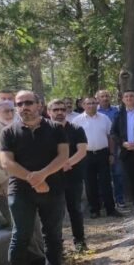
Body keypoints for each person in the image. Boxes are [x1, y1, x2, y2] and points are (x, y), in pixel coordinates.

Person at [0, 91, 71, 265]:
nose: (24, 107)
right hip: (20, 191)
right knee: (20, 235)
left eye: (28, 103)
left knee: (53, 234)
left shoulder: (55, 128)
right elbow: (6, 163)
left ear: (39, 105)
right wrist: (34, 180)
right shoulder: (8, 132)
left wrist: (42, 175)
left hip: (52, 189)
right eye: (19, 104)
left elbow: (63, 156)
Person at [48, 99, 89, 252]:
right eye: (55, 109)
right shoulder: (44, 131)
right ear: (49, 112)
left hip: (73, 176)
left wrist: (65, 164)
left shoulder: (76, 129)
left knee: (75, 210)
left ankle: (80, 242)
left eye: (62, 109)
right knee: (54, 213)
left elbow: (82, 151)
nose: (59, 112)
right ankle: (57, 247)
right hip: (52, 178)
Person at [73, 96, 122, 219]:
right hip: (86, 155)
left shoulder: (104, 118)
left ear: (97, 104)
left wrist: (111, 153)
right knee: (90, 184)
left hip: (103, 154)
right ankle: (94, 210)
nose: (91, 105)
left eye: (94, 103)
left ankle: (110, 209)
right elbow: (73, 140)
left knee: (106, 182)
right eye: (88, 103)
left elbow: (110, 137)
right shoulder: (77, 120)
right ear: (83, 105)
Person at [95, 89, 125, 209]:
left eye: (107, 96)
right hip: (100, 146)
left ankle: (119, 199)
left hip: (116, 146)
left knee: (118, 173)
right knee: (101, 175)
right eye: (102, 96)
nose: (105, 98)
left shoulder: (117, 111)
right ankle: (103, 200)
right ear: (97, 98)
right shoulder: (94, 111)